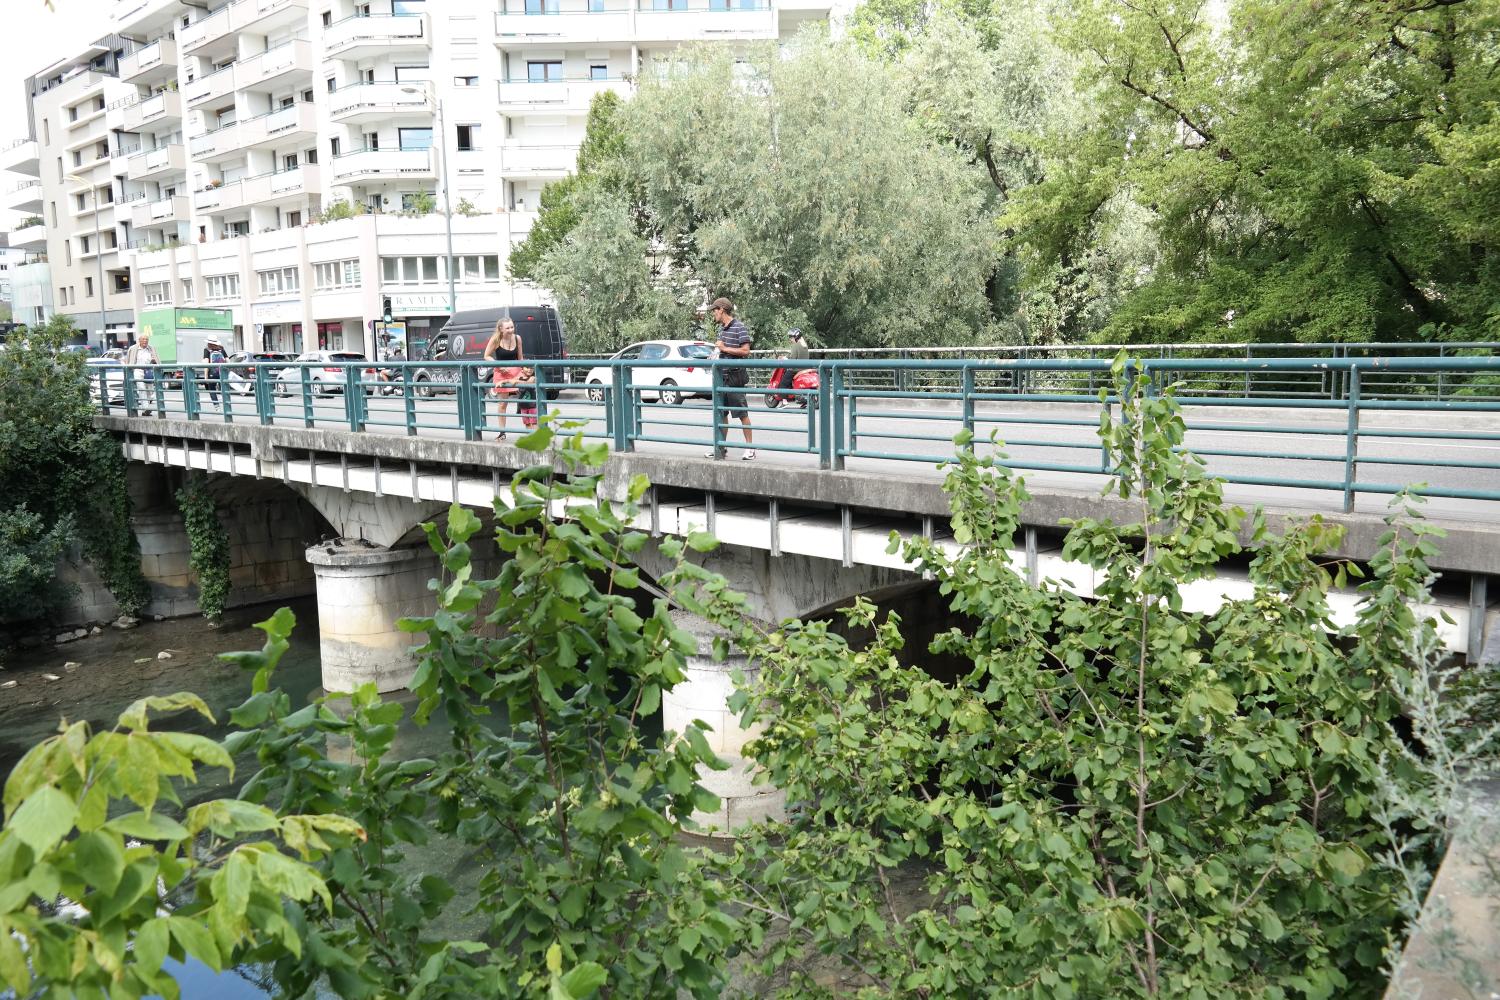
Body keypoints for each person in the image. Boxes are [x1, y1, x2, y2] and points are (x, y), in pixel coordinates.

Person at [705, 297, 755, 460]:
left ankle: (750, 449)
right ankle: (720, 447)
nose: (713, 313)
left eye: (714, 310)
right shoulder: (722, 330)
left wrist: (725, 348)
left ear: (722, 310)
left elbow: (746, 351)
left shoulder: (739, 327)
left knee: (742, 413)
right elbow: (723, 351)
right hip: (722, 376)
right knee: (721, 413)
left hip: (735, 375)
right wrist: (714, 356)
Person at [483, 317, 531, 441]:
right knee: (503, 404)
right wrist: (498, 365)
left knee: (527, 399)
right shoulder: (496, 339)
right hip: (501, 373)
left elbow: (520, 358)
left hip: (516, 372)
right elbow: (486, 356)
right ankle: (502, 432)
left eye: (512, 327)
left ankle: (531, 430)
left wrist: (525, 369)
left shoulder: (517, 338)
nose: (511, 330)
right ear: (501, 329)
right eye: (508, 328)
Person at [125, 331, 160, 416]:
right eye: (143, 339)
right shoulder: (133, 348)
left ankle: (145, 409)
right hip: (137, 370)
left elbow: (158, 360)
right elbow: (128, 361)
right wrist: (128, 371)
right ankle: (146, 409)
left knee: (150, 390)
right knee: (141, 388)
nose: (145, 341)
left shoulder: (151, 348)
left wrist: (154, 361)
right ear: (139, 340)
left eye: (147, 339)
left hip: (148, 371)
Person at [202, 337, 227, 406]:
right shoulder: (221, 349)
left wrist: (206, 376)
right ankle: (226, 404)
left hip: (212, 373)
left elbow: (206, 363)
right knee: (224, 388)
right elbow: (228, 360)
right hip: (222, 372)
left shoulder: (207, 350)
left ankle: (216, 405)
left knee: (212, 389)